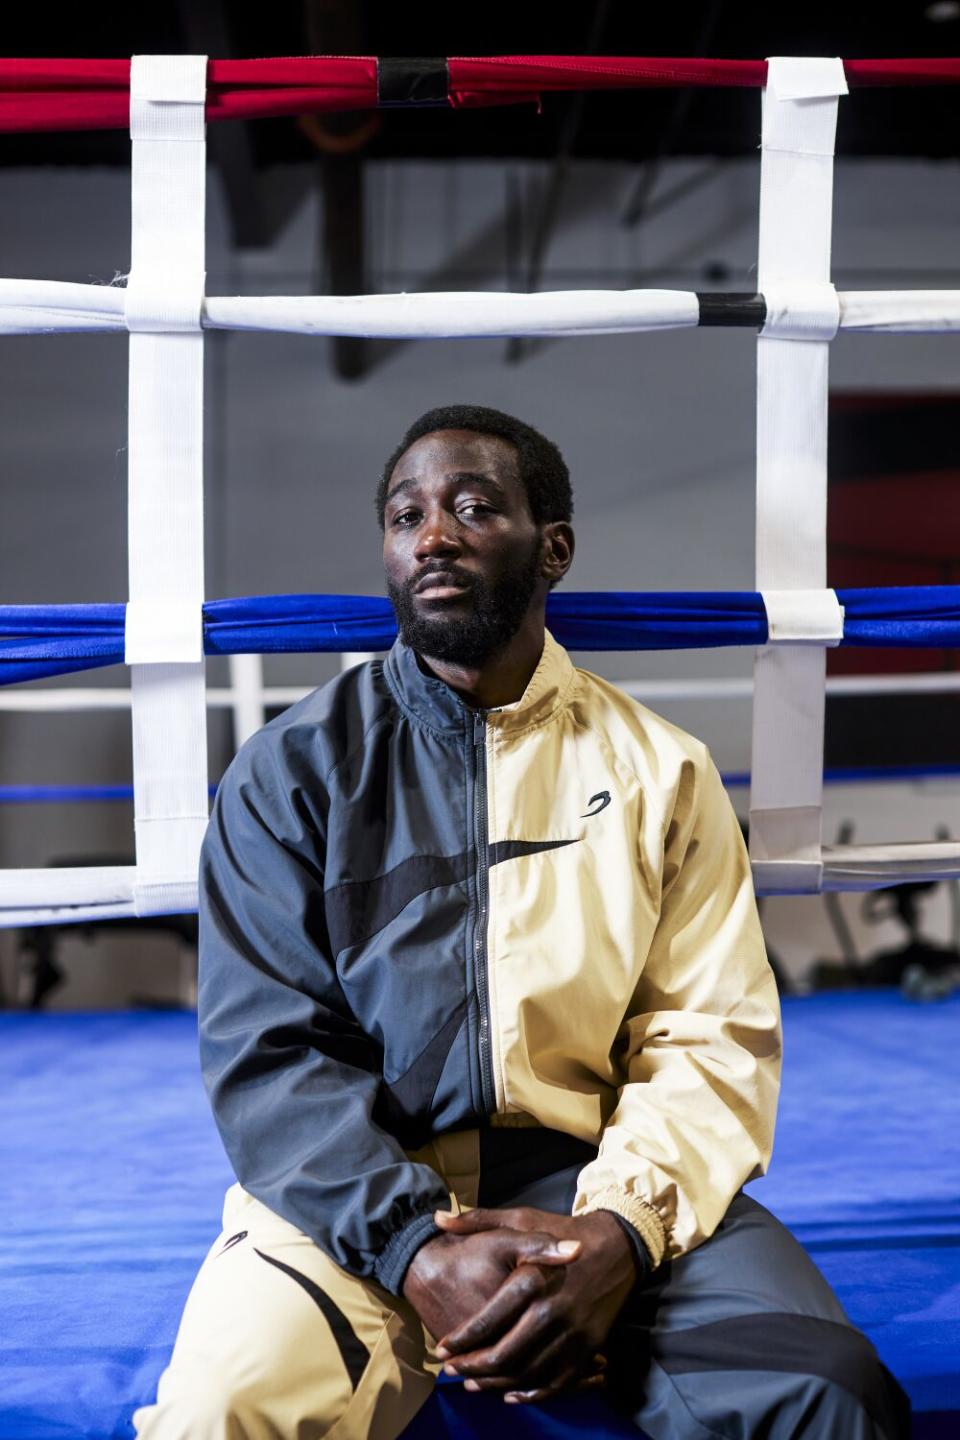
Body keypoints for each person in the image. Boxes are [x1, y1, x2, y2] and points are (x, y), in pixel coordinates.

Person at [134, 405, 910, 1440]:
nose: (435, 536)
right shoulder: (291, 773)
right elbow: (268, 1057)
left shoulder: (659, 771)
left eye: (473, 507)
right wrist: (413, 1245)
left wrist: (619, 1232)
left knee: (831, 1391)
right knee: (218, 1415)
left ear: (554, 549)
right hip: (358, 1197)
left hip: (593, 1177)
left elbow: (707, 1034)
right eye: (407, 516)